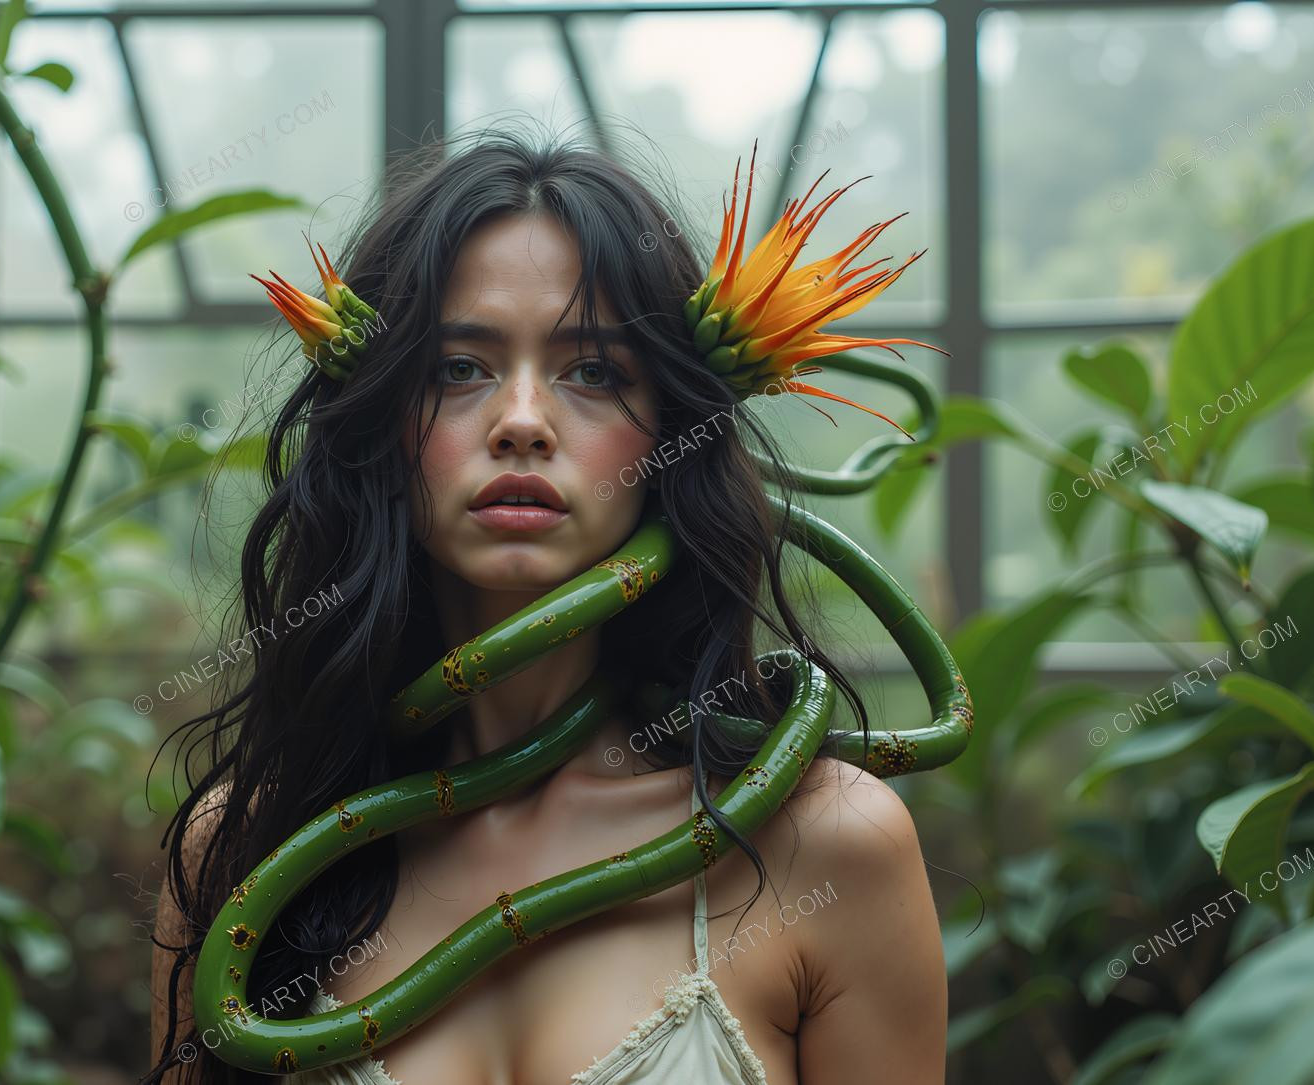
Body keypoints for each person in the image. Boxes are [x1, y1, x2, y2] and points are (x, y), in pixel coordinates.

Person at [145, 127, 946, 1085]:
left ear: (674, 436)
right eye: (457, 369)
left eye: (595, 372)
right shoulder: (244, 851)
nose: (522, 420)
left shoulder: (830, 844)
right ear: (379, 427)